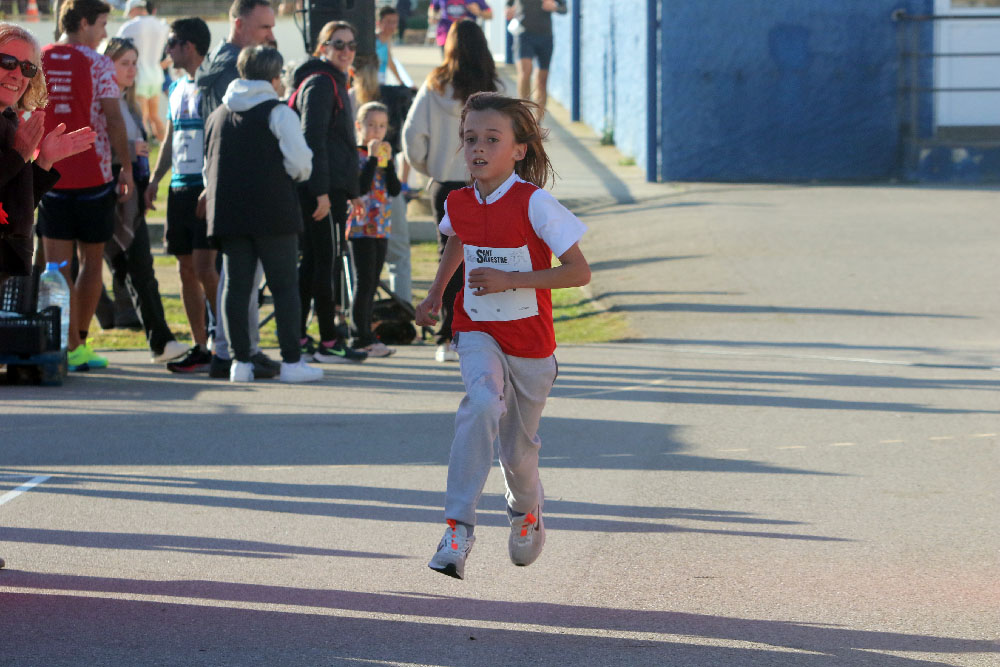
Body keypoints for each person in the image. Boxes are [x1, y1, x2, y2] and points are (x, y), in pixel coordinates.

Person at [416, 92, 590, 580]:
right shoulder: (458, 200)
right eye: (471, 138)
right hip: (476, 328)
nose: (478, 148)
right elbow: (458, 238)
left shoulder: (536, 204)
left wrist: (513, 279)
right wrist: (435, 294)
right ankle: (458, 528)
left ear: (518, 150)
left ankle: (526, 511)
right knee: (482, 403)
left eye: (492, 139)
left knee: (517, 453)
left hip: (531, 346)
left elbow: (578, 272)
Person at [203, 45, 322, 384]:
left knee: (237, 287)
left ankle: (240, 363)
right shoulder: (278, 112)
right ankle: (292, 362)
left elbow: (207, 166)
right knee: (285, 286)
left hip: (228, 211)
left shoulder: (219, 114)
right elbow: (301, 164)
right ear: (274, 77)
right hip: (273, 210)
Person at [38, 0, 136, 372]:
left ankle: (60, 345)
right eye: (102, 24)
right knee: (91, 263)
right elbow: (113, 119)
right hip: (93, 179)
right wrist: (125, 168)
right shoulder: (97, 62)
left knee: (55, 268)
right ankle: (78, 342)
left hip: (50, 178)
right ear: (83, 23)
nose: (106, 33)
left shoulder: (39, 56)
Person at [402, 19, 498, 362]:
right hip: (487, 183)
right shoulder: (494, 88)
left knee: (449, 259)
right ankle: (483, 330)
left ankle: (447, 334)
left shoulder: (434, 85)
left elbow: (412, 136)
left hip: (445, 182)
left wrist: (430, 167)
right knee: (487, 255)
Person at [196, 0, 279, 379]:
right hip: (241, 184)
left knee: (236, 275)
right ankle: (236, 351)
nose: (271, 36)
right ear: (240, 25)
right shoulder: (234, 70)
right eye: (264, 28)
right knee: (241, 278)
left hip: (221, 179)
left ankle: (231, 348)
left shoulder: (214, 60)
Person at [102, 36, 185, 363]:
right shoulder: (103, 102)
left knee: (136, 268)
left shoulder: (130, 102)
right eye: (125, 63)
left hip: (130, 193)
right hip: (107, 191)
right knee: (109, 266)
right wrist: (122, 154)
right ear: (106, 64)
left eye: (135, 63)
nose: (132, 69)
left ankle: (160, 341)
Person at [289, 20, 367, 364]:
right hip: (319, 192)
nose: (346, 51)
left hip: (331, 189)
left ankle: (300, 336)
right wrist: (321, 192)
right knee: (326, 264)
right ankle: (328, 340)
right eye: (338, 44)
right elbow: (313, 140)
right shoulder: (321, 83)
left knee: (315, 264)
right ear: (323, 48)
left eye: (351, 45)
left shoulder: (333, 81)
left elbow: (337, 145)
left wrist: (351, 190)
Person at [146, 17, 220, 374]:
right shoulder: (175, 87)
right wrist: (154, 180)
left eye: (172, 43)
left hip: (206, 188)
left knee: (208, 269)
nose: (168, 50)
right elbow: (171, 137)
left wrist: (213, 184)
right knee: (185, 268)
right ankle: (201, 344)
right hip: (179, 188)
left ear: (188, 46)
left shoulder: (212, 85)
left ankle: (227, 341)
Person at [0, 21, 94, 286]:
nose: (17, 74)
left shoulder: (9, 122)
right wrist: (19, 154)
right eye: (7, 62)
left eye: (27, 68)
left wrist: (43, 162)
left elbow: (16, 205)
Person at [348, 101, 399, 358]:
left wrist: (387, 163)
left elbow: (395, 189)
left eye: (381, 126)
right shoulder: (355, 154)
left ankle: (367, 333)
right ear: (359, 126)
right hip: (360, 227)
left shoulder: (385, 155)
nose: (376, 131)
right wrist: (370, 157)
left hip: (381, 225)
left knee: (373, 281)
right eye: (371, 125)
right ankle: (360, 335)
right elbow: (360, 187)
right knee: (363, 281)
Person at [115, 0, 168, 142]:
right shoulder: (161, 25)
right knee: (154, 116)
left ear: (133, 9)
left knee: (141, 117)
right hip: (156, 74)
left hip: (139, 76)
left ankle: (142, 154)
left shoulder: (129, 27)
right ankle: (165, 147)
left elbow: (115, 50)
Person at [505, 0, 566, 119]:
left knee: (542, 81)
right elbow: (508, 4)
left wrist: (554, 7)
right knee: (525, 72)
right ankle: (524, 115)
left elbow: (564, 8)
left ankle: (537, 122)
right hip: (523, 34)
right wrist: (509, 10)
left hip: (545, 36)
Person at [374, 6, 401, 85]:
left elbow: (390, 62)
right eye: (388, 22)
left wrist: (401, 82)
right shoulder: (372, 41)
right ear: (379, 22)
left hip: (382, 83)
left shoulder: (387, 40)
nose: (392, 26)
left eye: (395, 22)